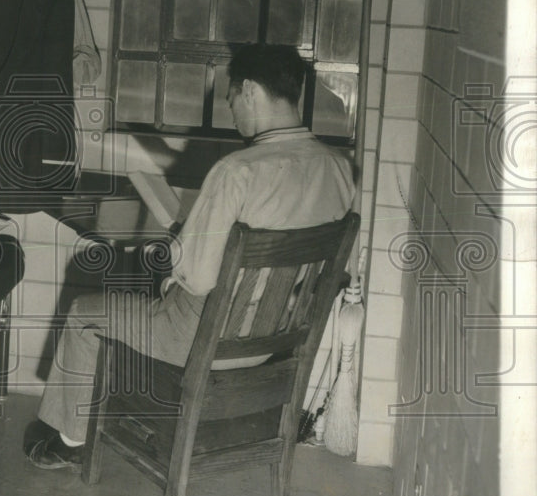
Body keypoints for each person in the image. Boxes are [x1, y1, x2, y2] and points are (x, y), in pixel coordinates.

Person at [25, 43, 357, 469]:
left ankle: (69, 442)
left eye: (232, 97)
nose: (232, 109)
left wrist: (178, 253)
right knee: (146, 292)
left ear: (250, 90)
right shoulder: (337, 168)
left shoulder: (237, 170)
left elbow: (197, 280)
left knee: (85, 315)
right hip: (277, 338)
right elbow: (338, 269)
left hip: (204, 336)